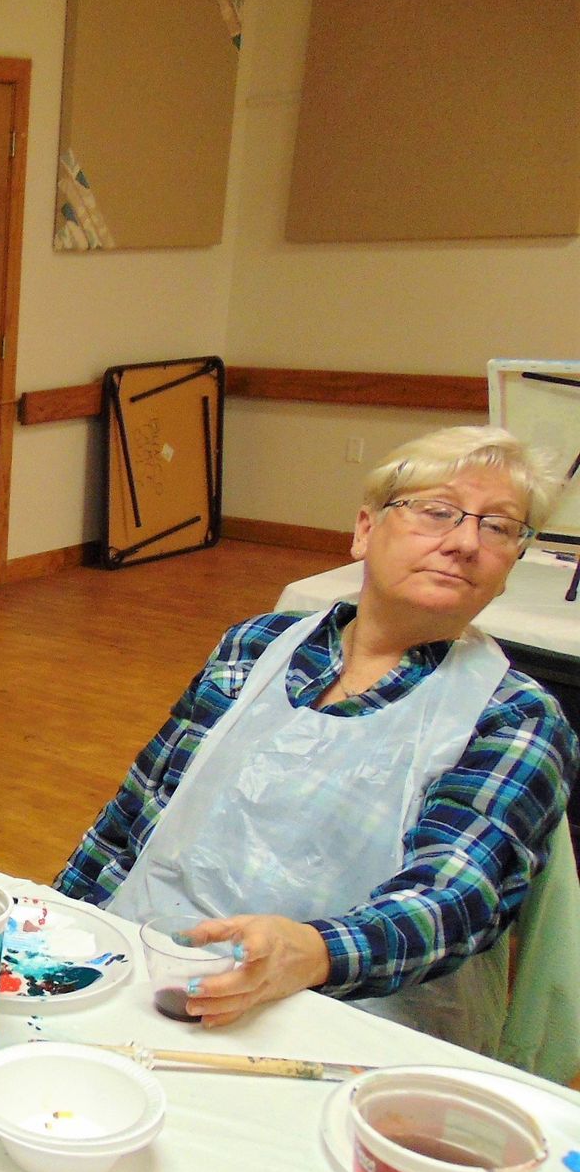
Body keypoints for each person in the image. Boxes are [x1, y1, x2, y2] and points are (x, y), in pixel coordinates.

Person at [58, 427, 576, 1052]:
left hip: (347, 1024)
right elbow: (138, 812)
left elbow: (456, 899)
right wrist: (58, 921)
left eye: (499, 527)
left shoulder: (514, 717)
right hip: (155, 969)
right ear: (365, 530)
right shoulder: (254, 648)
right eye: (438, 512)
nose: (466, 542)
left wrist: (313, 950)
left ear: (510, 567)